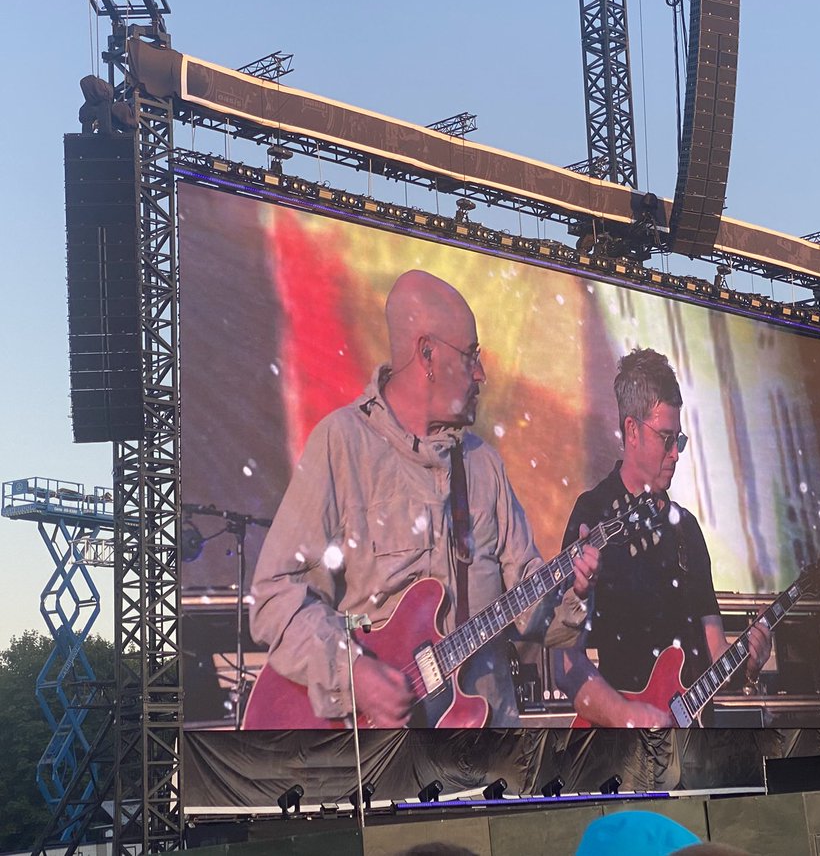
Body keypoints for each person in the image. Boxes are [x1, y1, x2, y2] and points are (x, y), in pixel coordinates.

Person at [249, 270, 598, 727]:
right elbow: (275, 597)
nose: (481, 373)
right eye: (471, 356)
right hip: (385, 764)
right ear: (427, 354)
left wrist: (572, 590)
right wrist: (353, 672)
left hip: (486, 755)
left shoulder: (483, 466)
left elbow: (536, 622)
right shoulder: (342, 445)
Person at [556, 348, 769, 727]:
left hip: (692, 739)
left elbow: (714, 648)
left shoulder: (685, 529)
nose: (675, 454)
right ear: (632, 430)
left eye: (679, 441)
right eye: (666, 439)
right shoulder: (593, 515)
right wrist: (627, 716)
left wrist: (748, 664)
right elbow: (566, 658)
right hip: (624, 741)